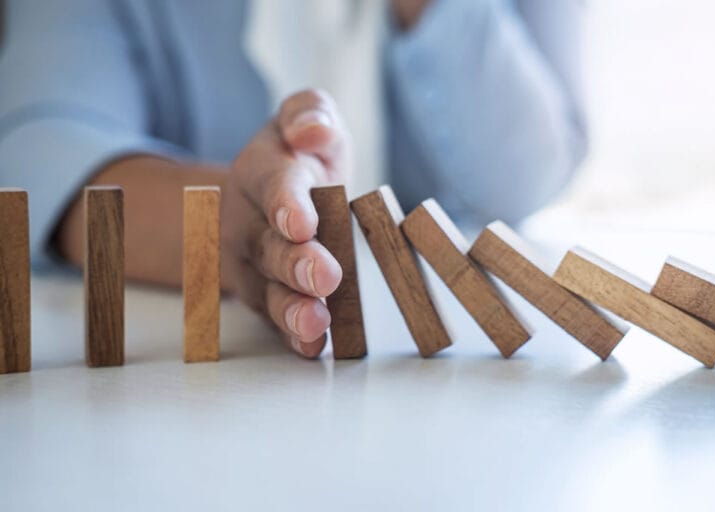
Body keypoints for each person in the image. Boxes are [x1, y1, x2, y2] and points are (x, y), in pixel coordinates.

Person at [0, 0, 586, 357]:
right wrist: (235, 225)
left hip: (419, 378)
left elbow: (525, 178)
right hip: (214, 365)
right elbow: (36, 150)